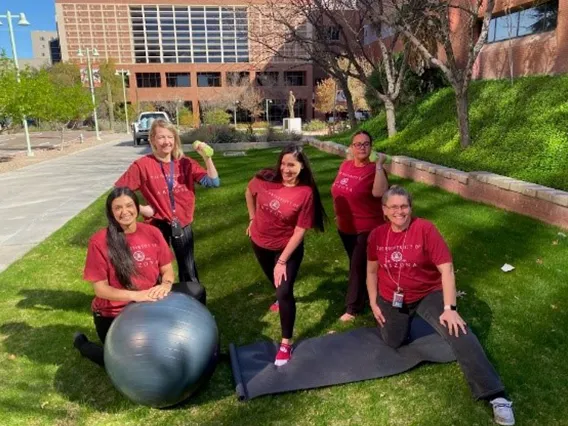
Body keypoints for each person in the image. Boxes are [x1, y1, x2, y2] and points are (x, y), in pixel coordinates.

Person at [366, 186, 515, 426]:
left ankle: (496, 396)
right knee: (393, 341)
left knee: (459, 332)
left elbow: (446, 269)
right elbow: (371, 271)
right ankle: (404, 319)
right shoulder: (377, 235)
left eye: (404, 206)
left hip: (427, 293)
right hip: (391, 295)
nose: (399, 211)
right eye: (393, 207)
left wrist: (450, 308)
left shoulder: (425, 229)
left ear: (411, 207)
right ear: (384, 210)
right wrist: (373, 302)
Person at [73, 187, 205, 367]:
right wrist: (137, 296)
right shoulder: (99, 241)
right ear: (111, 212)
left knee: (196, 290)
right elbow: (100, 289)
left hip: (150, 302)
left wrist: (166, 285)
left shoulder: (152, 232)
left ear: (137, 207)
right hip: (116, 313)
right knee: (127, 365)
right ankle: (83, 344)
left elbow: (167, 270)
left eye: (129, 205)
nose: (125, 211)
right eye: (118, 208)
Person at [245, 144, 326, 366]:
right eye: (283, 163)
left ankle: (285, 343)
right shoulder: (267, 178)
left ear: (301, 167)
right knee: (274, 282)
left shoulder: (305, 193)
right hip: (259, 242)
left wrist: (282, 261)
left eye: (291, 165)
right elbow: (248, 191)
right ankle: (280, 298)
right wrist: (252, 219)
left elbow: (300, 230)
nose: (286, 169)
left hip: (287, 248)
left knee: (283, 291)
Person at [116, 119, 219, 285]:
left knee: (188, 268)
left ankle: (193, 304)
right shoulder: (142, 165)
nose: (166, 142)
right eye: (161, 137)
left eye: (170, 137)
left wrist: (207, 158)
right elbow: (119, 192)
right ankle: (157, 304)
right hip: (156, 224)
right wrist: (141, 209)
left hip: (182, 223)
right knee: (156, 268)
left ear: (175, 139)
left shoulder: (185, 163)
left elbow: (213, 182)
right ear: (152, 140)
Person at [331, 130, 389, 322]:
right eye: (358, 144)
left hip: (367, 227)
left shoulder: (375, 170)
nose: (362, 147)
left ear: (371, 147)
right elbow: (337, 189)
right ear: (351, 148)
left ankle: (353, 307)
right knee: (360, 264)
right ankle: (370, 292)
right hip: (345, 226)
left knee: (356, 266)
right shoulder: (345, 165)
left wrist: (379, 165)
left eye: (366, 144)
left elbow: (380, 193)